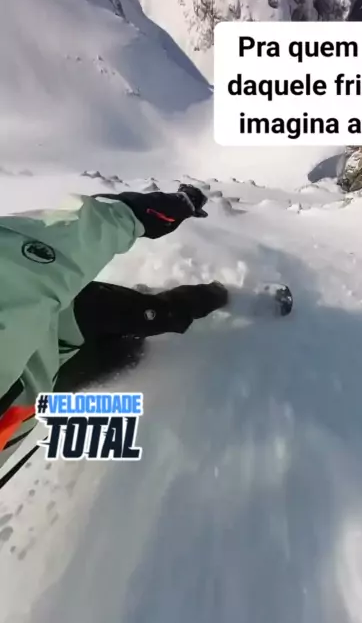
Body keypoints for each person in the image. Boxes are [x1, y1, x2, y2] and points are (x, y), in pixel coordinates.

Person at [0, 184, 228, 472]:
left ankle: (225, 296)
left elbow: (24, 262)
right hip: (42, 375)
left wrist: (135, 212)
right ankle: (150, 321)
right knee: (126, 351)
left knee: (152, 315)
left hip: (59, 320)